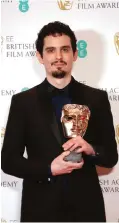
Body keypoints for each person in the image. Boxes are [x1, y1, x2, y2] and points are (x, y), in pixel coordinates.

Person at [1, 21, 118, 222]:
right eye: (50, 50)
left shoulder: (97, 99)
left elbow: (111, 157)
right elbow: (9, 161)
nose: (58, 57)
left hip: (87, 210)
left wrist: (90, 149)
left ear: (74, 54)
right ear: (40, 56)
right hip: (39, 209)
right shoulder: (22, 102)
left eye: (64, 49)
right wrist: (48, 169)